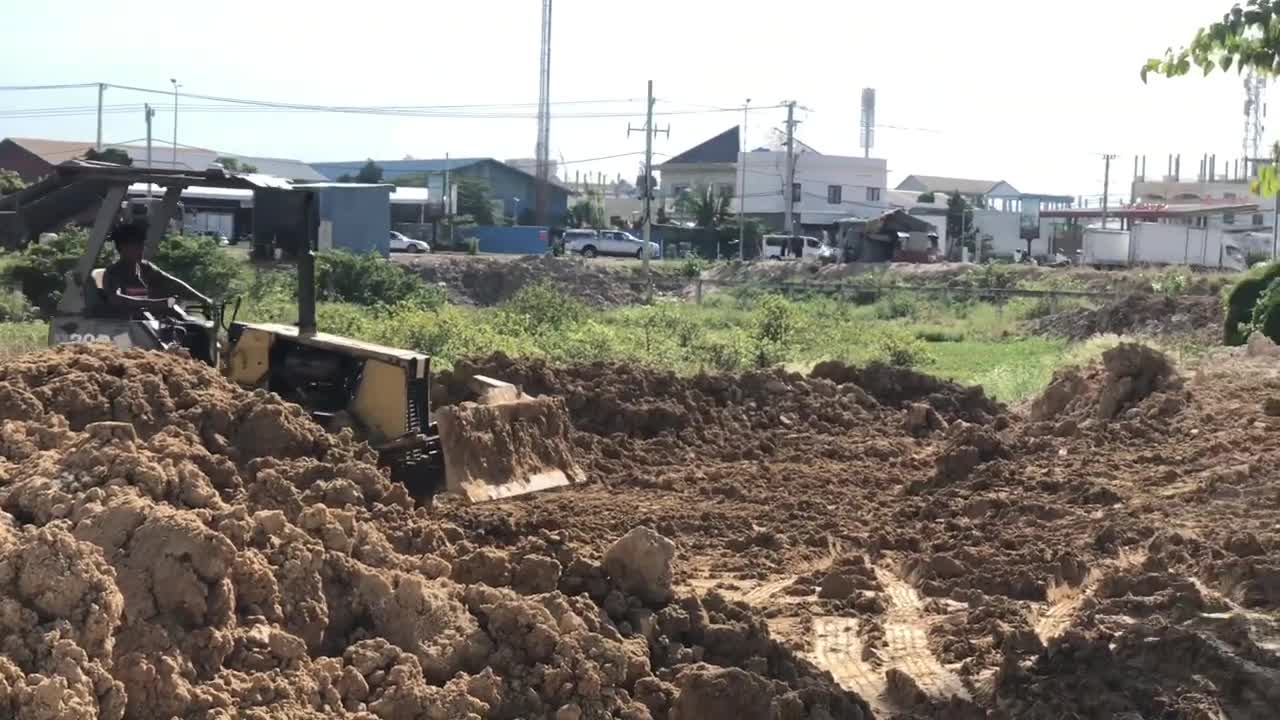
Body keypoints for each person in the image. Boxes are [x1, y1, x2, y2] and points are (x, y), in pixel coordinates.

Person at [102, 222, 211, 318]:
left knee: (187, 321)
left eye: (142, 246)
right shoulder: (113, 273)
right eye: (135, 247)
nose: (141, 250)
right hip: (126, 329)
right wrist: (155, 304)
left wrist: (204, 300)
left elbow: (173, 283)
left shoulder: (145, 268)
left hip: (146, 323)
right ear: (123, 248)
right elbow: (115, 299)